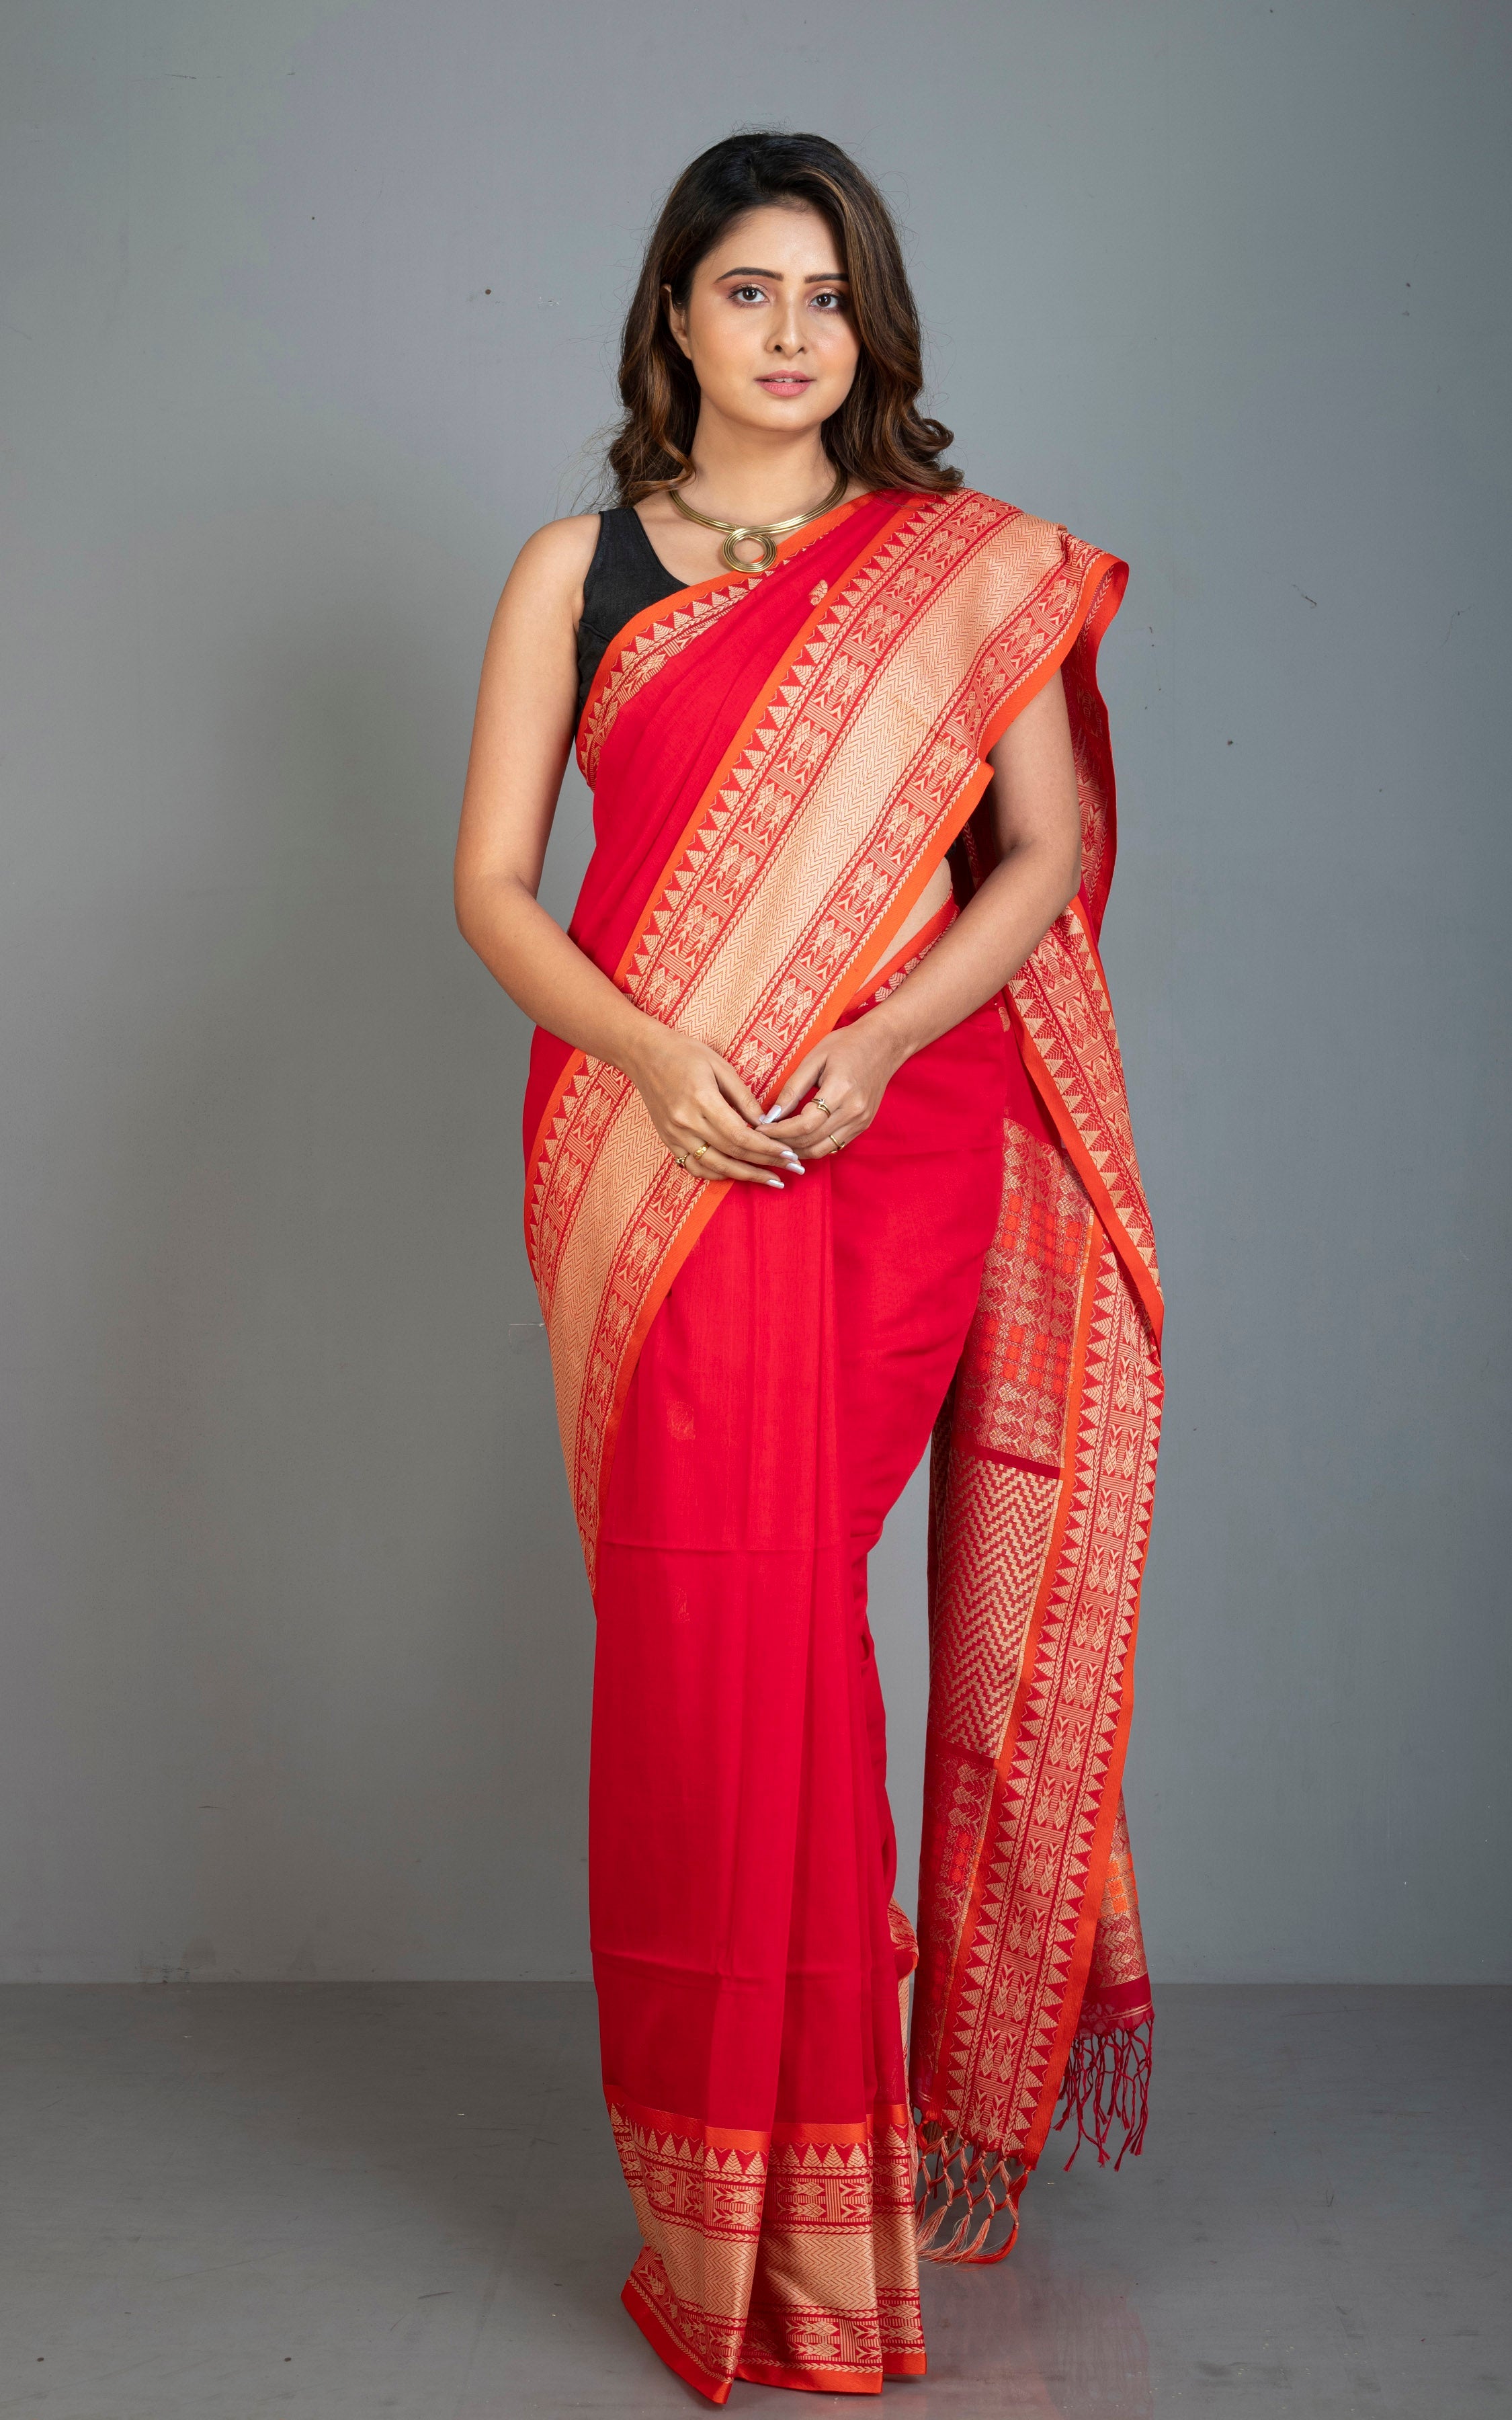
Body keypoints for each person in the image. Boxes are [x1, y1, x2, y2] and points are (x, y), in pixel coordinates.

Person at [455, 129, 1163, 2406]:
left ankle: (836, 2185)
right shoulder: (575, 567)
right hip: (651, 1143)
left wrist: (874, 1040)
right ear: (672, 312)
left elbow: (1037, 853)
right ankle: (734, 2206)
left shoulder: (963, 569)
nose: (789, 333)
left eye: (827, 296)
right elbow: (491, 889)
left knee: (802, 1636)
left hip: (885, 1138)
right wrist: (660, 1061)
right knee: (711, 1649)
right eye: (747, 289)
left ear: (872, 328)